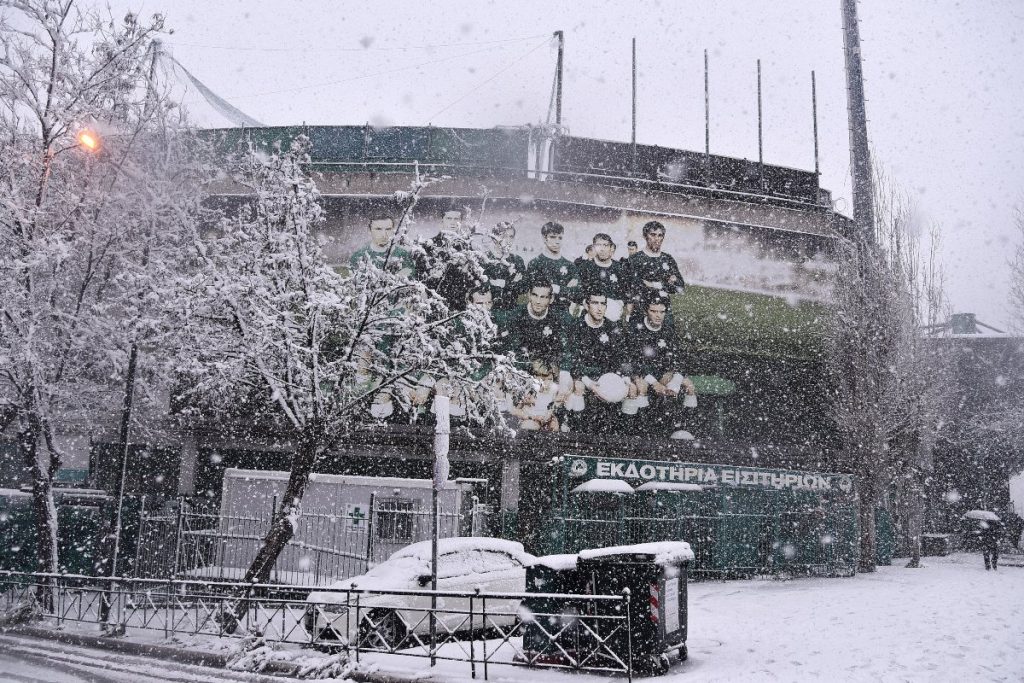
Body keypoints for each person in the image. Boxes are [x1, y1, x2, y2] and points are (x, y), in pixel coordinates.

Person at [562, 291, 634, 433]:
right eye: (595, 303)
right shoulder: (576, 327)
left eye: (603, 304)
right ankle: (577, 430)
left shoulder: (613, 328)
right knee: (579, 387)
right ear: (586, 305)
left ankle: (626, 434)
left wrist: (624, 377)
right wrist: (588, 382)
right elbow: (572, 359)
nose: (599, 308)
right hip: (584, 375)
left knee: (631, 389)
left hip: (607, 375)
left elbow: (621, 356)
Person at [627, 296, 697, 438]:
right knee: (642, 387)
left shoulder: (668, 330)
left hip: (662, 371)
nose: (658, 315)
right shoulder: (637, 329)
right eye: (654, 311)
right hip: (641, 373)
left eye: (662, 312)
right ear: (647, 311)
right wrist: (654, 383)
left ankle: (682, 427)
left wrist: (674, 379)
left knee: (689, 386)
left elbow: (677, 358)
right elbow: (635, 362)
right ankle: (640, 430)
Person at [415, 208, 481, 311]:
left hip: (460, 304)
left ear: (461, 222)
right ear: (442, 220)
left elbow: (474, 278)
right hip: (435, 303)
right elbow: (421, 277)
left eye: (456, 219)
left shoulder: (467, 248)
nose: (453, 222)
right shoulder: (429, 246)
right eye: (449, 218)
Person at [625, 220, 685, 320]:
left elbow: (680, 286)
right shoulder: (635, 259)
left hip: (664, 313)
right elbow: (632, 285)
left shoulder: (668, 259)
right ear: (645, 236)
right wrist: (667, 283)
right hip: (641, 311)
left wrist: (654, 284)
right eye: (653, 235)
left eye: (660, 235)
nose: (656, 239)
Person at [524, 221, 579, 312]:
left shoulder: (570, 265)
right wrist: (565, 291)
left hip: (563, 312)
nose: (557, 241)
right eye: (553, 237)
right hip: (541, 313)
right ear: (544, 238)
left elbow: (578, 293)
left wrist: (557, 288)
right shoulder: (535, 263)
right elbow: (538, 292)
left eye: (560, 238)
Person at [577, 233, 628, 321]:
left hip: (613, 318)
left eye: (605, 245)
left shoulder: (620, 268)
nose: (602, 249)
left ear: (611, 248)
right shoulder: (585, 267)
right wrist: (586, 302)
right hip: (590, 317)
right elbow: (576, 291)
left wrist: (620, 303)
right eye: (598, 245)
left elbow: (627, 291)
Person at [482, 221, 527, 313]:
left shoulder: (517, 261)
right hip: (488, 311)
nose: (508, 240)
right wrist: (511, 283)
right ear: (494, 238)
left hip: (512, 311)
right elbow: (483, 289)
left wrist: (499, 283)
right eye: (504, 236)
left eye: (511, 237)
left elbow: (523, 289)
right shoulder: (484, 259)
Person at [350, 216, 415, 276]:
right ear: (370, 231)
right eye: (378, 229)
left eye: (388, 229)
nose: (384, 234)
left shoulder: (403, 255)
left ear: (393, 231)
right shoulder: (358, 256)